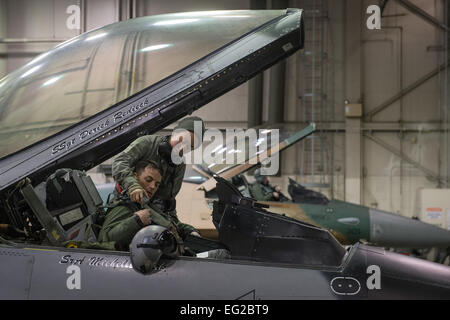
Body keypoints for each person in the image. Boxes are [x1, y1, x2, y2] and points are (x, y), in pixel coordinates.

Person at [112, 116, 205, 236]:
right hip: (127, 207)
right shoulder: (147, 144)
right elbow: (120, 162)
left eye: (190, 146)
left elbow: (168, 204)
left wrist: (183, 228)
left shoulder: (179, 165)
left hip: (153, 217)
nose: (183, 147)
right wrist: (133, 186)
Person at [99, 160, 199, 251]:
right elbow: (104, 240)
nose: (152, 187)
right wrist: (136, 221)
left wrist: (190, 231)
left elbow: (169, 222)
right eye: (148, 180)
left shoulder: (148, 205)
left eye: (157, 184)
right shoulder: (124, 206)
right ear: (135, 177)